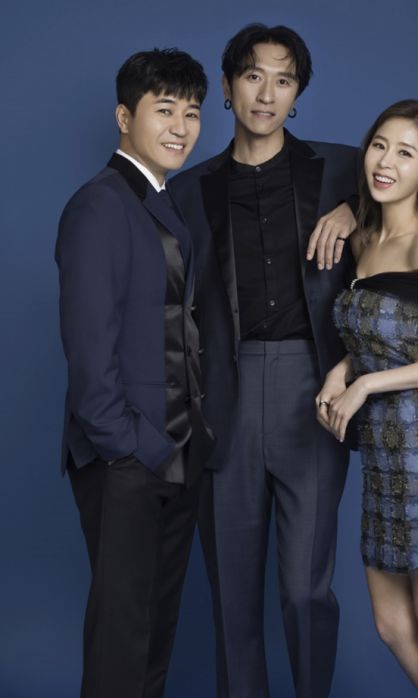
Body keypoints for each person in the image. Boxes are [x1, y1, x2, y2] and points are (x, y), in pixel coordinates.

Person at [168, 23, 360, 698]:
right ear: (227, 87)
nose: (267, 93)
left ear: (298, 93)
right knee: (233, 593)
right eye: (253, 76)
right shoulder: (188, 192)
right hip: (224, 390)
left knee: (306, 589)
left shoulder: (344, 170)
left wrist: (357, 212)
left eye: (283, 80)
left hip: (315, 388)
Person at [55, 49, 214, 698]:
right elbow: (89, 350)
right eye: (164, 110)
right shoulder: (99, 205)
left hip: (177, 450)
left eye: (192, 113)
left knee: (153, 635)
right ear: (125, 117)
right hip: (128, 457)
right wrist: (130, 447)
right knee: (122, 641)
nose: (181, 127)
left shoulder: (162, 202)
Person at [317, 99, 418, 698]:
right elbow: (383, 338)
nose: (386, 162)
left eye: (406, 153)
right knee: (390, 625)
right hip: (384, 456)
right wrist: (341, 370)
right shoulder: (367, 237)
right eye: (380, 145)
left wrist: (364, 384)